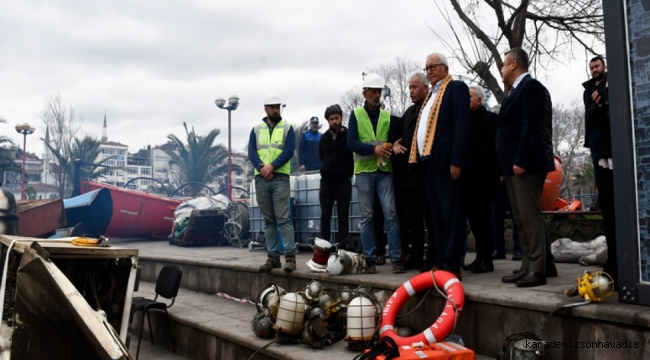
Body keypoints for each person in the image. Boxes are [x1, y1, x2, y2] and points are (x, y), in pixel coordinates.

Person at [408, 53, 470, 280]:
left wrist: (457, 159)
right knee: (437, 217)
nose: (429, 71)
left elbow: (461, 125)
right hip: (429, 164)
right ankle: (442, 260)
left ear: (445, 68)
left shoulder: (455, 88)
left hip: (447, 162)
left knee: (451, 214)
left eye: (433, 66)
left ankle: (453, 264)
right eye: (426, 68)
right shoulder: (430, 96)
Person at [497, 48, 555, 287]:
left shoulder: (531, 87)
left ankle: (538, 270)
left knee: (530, 216)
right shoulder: (514, 92)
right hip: (512, 167)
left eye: (503, 65)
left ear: (513, 64)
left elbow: (531, 127)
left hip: (527, 165)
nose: (500, 70)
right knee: (520, 217)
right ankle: (527, 266)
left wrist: (520, 160)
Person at [348, 73, 406, 274]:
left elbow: (390, 140)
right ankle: (370, 259)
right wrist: (373, 150)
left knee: (391, 214)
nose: (375, 95)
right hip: (364, 172)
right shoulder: (356, 115)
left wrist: (394, 144)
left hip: (384, 170)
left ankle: (396, 258)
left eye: (378, 92)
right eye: (372, 91)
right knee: (367, 217)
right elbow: (351, 142)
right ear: (364, 93)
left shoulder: (387, 117)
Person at [248, 92, 297, 273]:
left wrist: (272, 167)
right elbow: (251, 152)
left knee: (284, 218)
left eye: (278, 107)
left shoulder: (287, 127)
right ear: (266, 109)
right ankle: (273, 257)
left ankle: (290, 257)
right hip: (262, 178)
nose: (276, 110)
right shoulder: (256, 129)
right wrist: (263, 169)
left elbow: (289, 151)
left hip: (280, 177)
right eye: (273, 108)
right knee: (268, 220)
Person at [392, 72, 435, 271]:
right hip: (409, 177)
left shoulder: (433, 108)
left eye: (414, 87)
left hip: (428, 174)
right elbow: (395, 136)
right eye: (409, 87)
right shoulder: (409, 113)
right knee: (413, 219)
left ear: (426, 88)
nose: (410, 91)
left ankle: (434, 257)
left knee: (431, 218)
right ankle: (416, 256)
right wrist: (393, 146)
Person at [582, 55, 617, 286]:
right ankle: (612, 260)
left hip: (616, 147)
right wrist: (597, 105)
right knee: (606, 203)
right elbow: (590, 117)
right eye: (591, 67)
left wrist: (605, 103)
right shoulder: (588, 91)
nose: (595, 69)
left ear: (604, 66)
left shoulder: (614, 83)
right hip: (599, 151)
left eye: (597, 66)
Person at [462, 85, 499, 273]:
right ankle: (480, 257)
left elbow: (489, 149)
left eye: (469, 96)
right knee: (475, 221)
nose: (466, 99)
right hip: (468, 178)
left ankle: (487, 258)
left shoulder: (490, 119)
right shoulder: (464, 120)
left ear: (479, 99)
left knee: (483, 220)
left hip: (484, 178)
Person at [318, 105, 353, 245]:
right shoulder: (324, 138)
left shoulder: (348, 136)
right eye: (331, 119)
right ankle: (324, 248)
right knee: (325, 217)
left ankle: (342, 248)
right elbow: (321, 156)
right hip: (326, 182)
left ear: (341, 118)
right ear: (328, 121)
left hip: (343, 182)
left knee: (343, 217)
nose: (334, 122)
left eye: (336, 118)